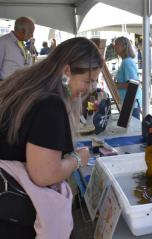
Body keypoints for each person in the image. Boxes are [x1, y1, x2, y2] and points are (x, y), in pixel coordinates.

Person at [0, 37, 103, 238]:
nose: (90, 88)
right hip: (15, 217)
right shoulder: (51, 105)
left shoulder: (24, 82)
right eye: (88, 80)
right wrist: (78, 159)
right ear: (66, 72)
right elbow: (44, 175)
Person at [114, 36, 142, 119]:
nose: (114, 46)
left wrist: (115, 85)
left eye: (117, 44)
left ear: (124, 46)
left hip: (130, 104)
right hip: (128, 103)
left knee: (131, 130)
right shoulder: (125, 61)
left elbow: (133, 84)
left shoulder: (127, 62)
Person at [0, 16, 35, 80]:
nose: (32, 35)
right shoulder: (3, 42)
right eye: (31, 32)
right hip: (8, 87)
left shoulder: (21, 43)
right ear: (22, 31)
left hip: (20, 86)